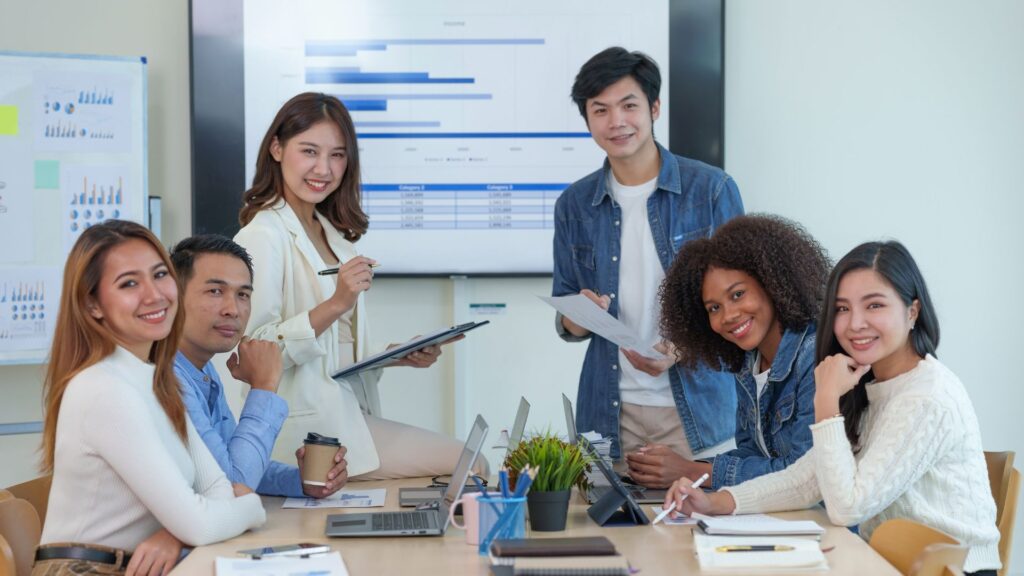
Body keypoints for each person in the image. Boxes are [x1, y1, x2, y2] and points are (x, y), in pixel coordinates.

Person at [664, 241, 1002, 576]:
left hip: (952, 570)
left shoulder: (926, 396)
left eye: (874, 305)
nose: (855, 324)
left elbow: (847, 508)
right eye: (842, 309)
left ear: (912, 311)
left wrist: (826, 399)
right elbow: (807, 478)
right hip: (887, 562)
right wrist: (715, 502)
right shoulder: (871, 383)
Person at [234, 92, 481, 479]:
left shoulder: (331, 236)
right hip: (305, 427)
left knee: (465, 465)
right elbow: (254, 353)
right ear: (277, 149)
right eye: (309, 151)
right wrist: (337, 302)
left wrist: (393, 356)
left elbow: (335, 354)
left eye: (337, 155)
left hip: (348, 411)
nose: (324, 168)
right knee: (472, 463)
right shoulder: (262, 236)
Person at [35, 220, 264, 576]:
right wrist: (250, 506)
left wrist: (177, 533)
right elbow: (203, 520)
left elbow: (216, 487)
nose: (154, 294)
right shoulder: (104, 388)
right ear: (92, 304)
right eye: (129, 283)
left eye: (159, 275)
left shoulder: (157, 379)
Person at [552, 46, 743, 470]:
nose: (616, 122)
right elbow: (567, 319)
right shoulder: (574, 205)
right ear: (587, 120)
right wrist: (579, 314)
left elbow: (744, 304)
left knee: (699, 514)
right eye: (600, 110)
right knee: (610, 515)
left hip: (699, 410)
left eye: (629, 106)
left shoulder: (711, 190)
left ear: (654, 108)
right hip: (609, 413)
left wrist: (680, 348)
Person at [638, 214, 828, 489]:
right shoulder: (748, 362)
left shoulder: (815, 356)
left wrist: (693, 472)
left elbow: (805, 472)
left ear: (772, 282)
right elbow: (754, 455)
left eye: (737, 294)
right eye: (714, 308)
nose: (728, 316)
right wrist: (677, 470)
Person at [170, 234, 348, 499]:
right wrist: (264, 386)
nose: (233, 309)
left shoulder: (202, 370)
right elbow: (232, 486)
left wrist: (301, 482)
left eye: (243, 295)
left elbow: (231, 464)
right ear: (171, 298)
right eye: (215, 291)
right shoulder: (167, 378)